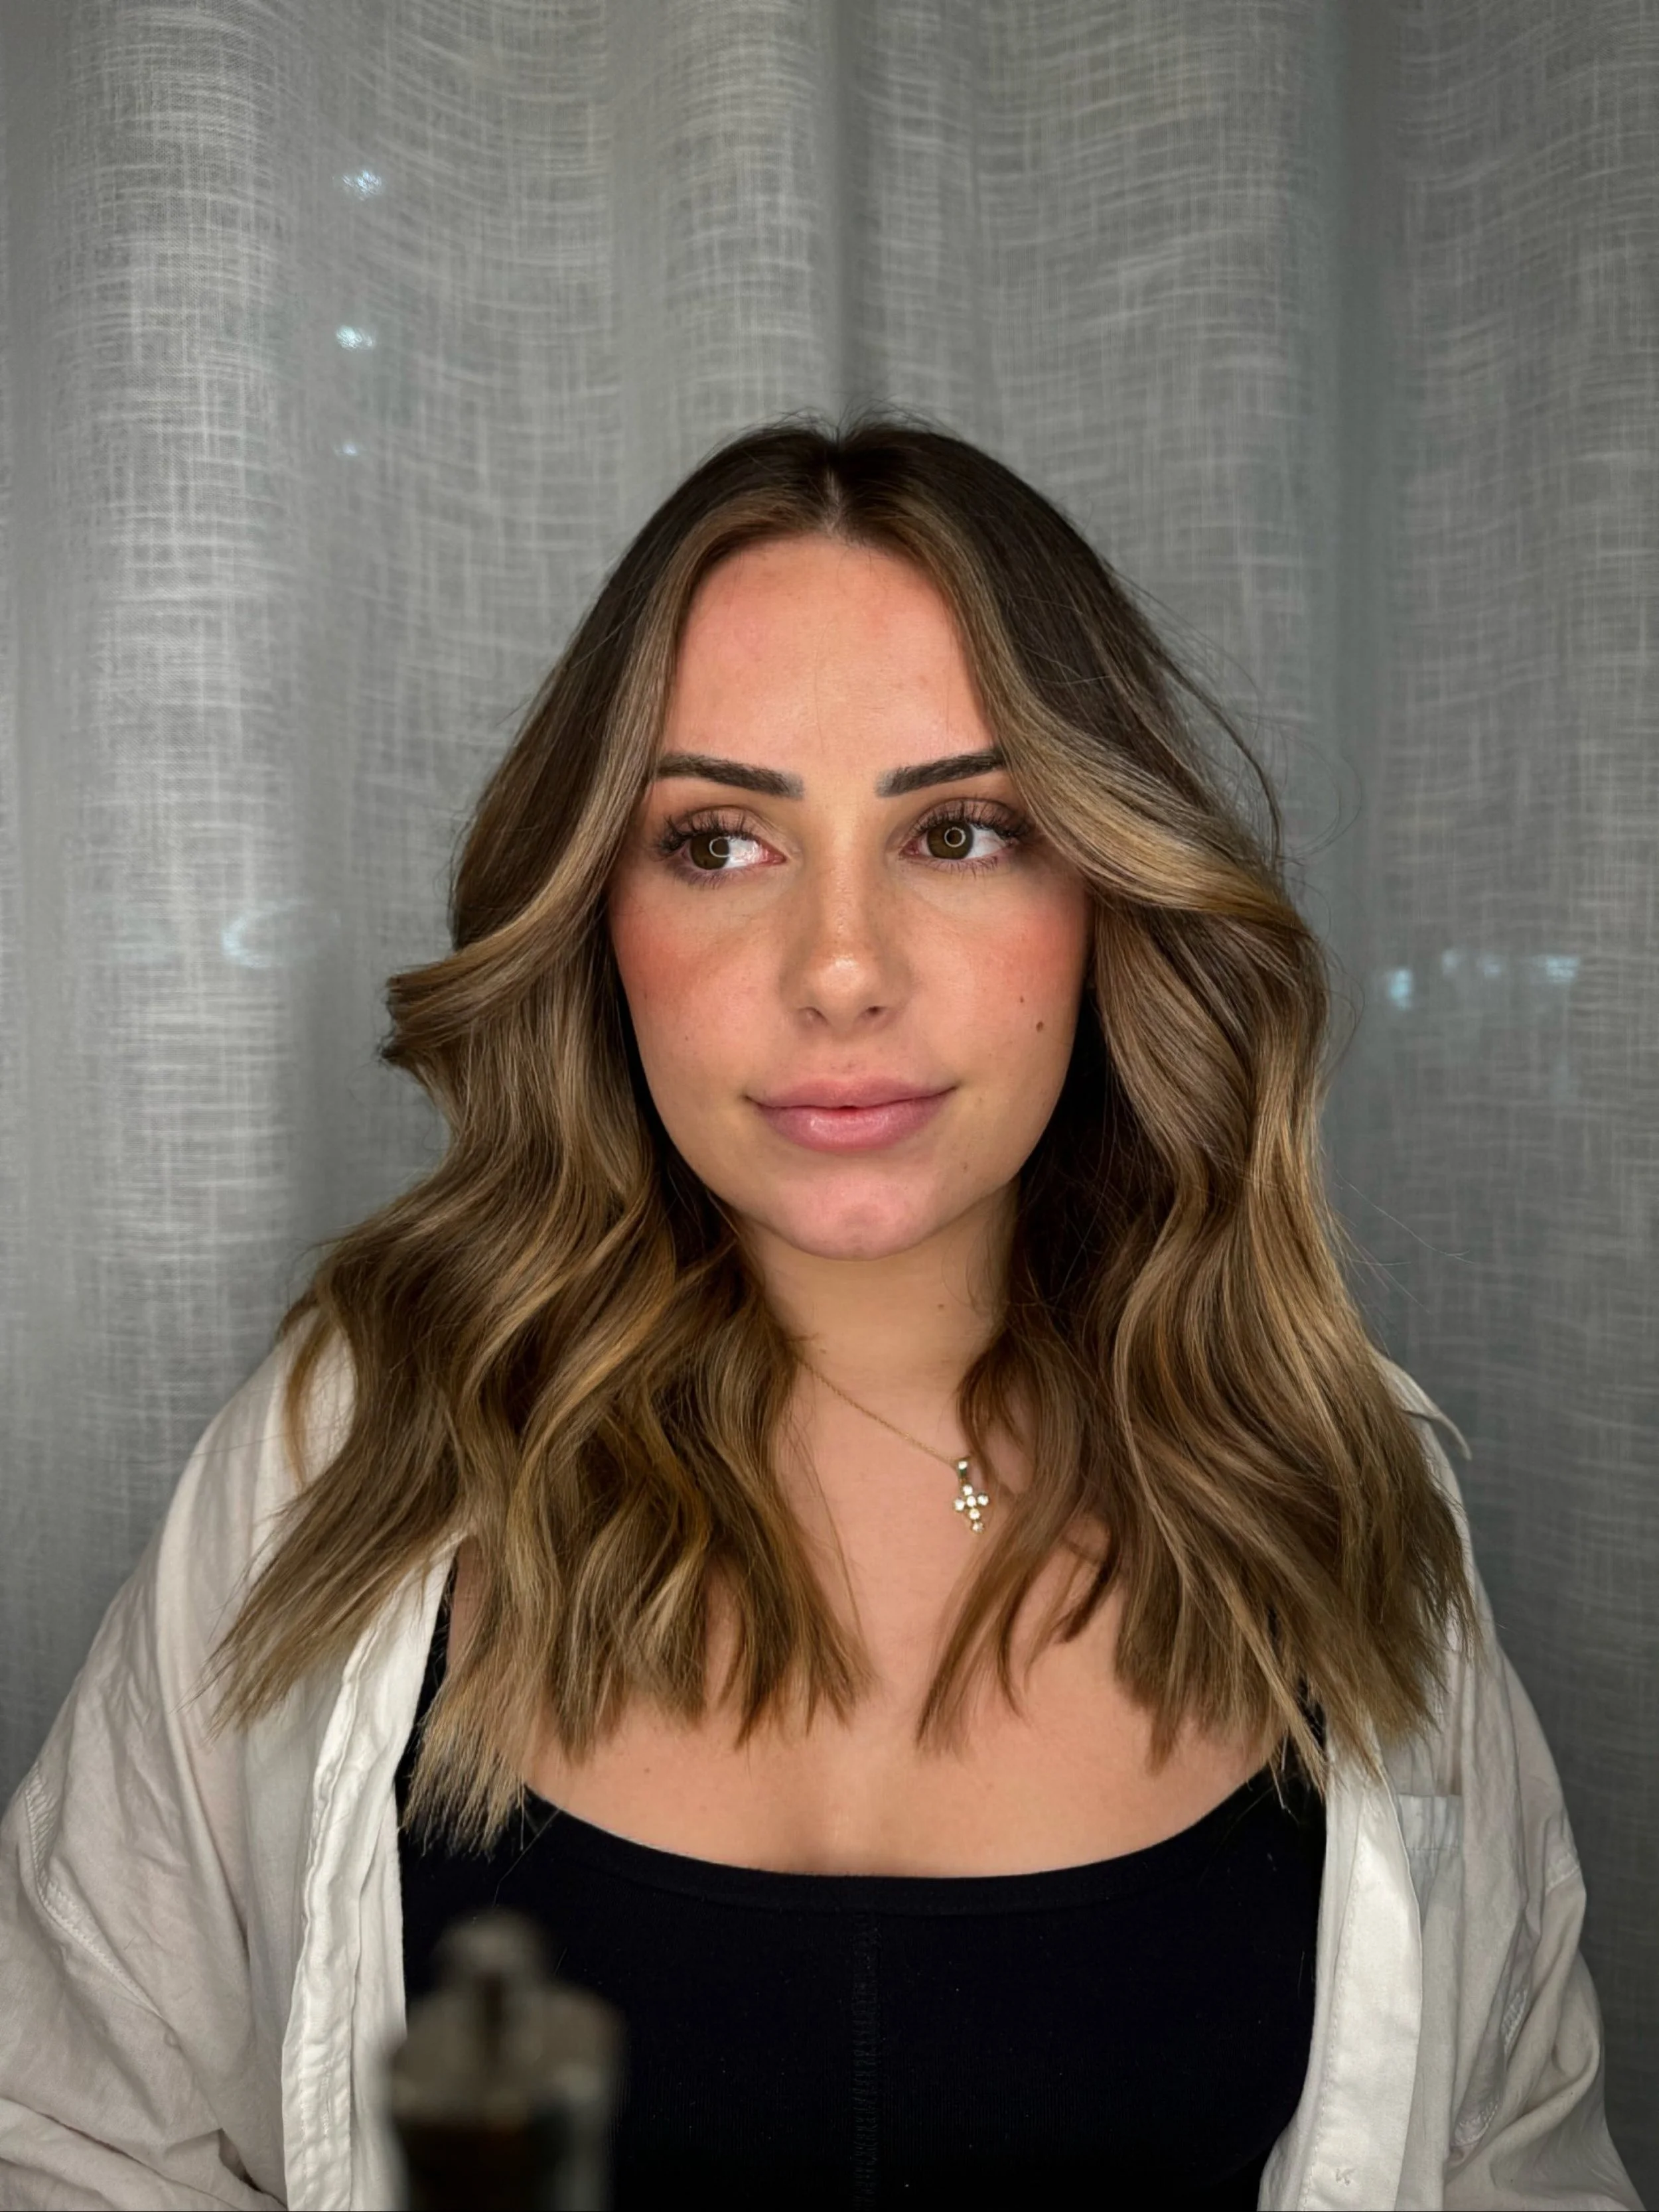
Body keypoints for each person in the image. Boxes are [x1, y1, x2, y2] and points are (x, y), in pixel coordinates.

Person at [0, 417, 1638, 2211]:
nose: (842, 969)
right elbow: (71, 2136)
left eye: (962, 830)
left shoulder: (1332, 1480)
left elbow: (1510, 2166)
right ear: (595, 917)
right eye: (718, 842)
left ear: (1104, 891)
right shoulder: (347, 1451)